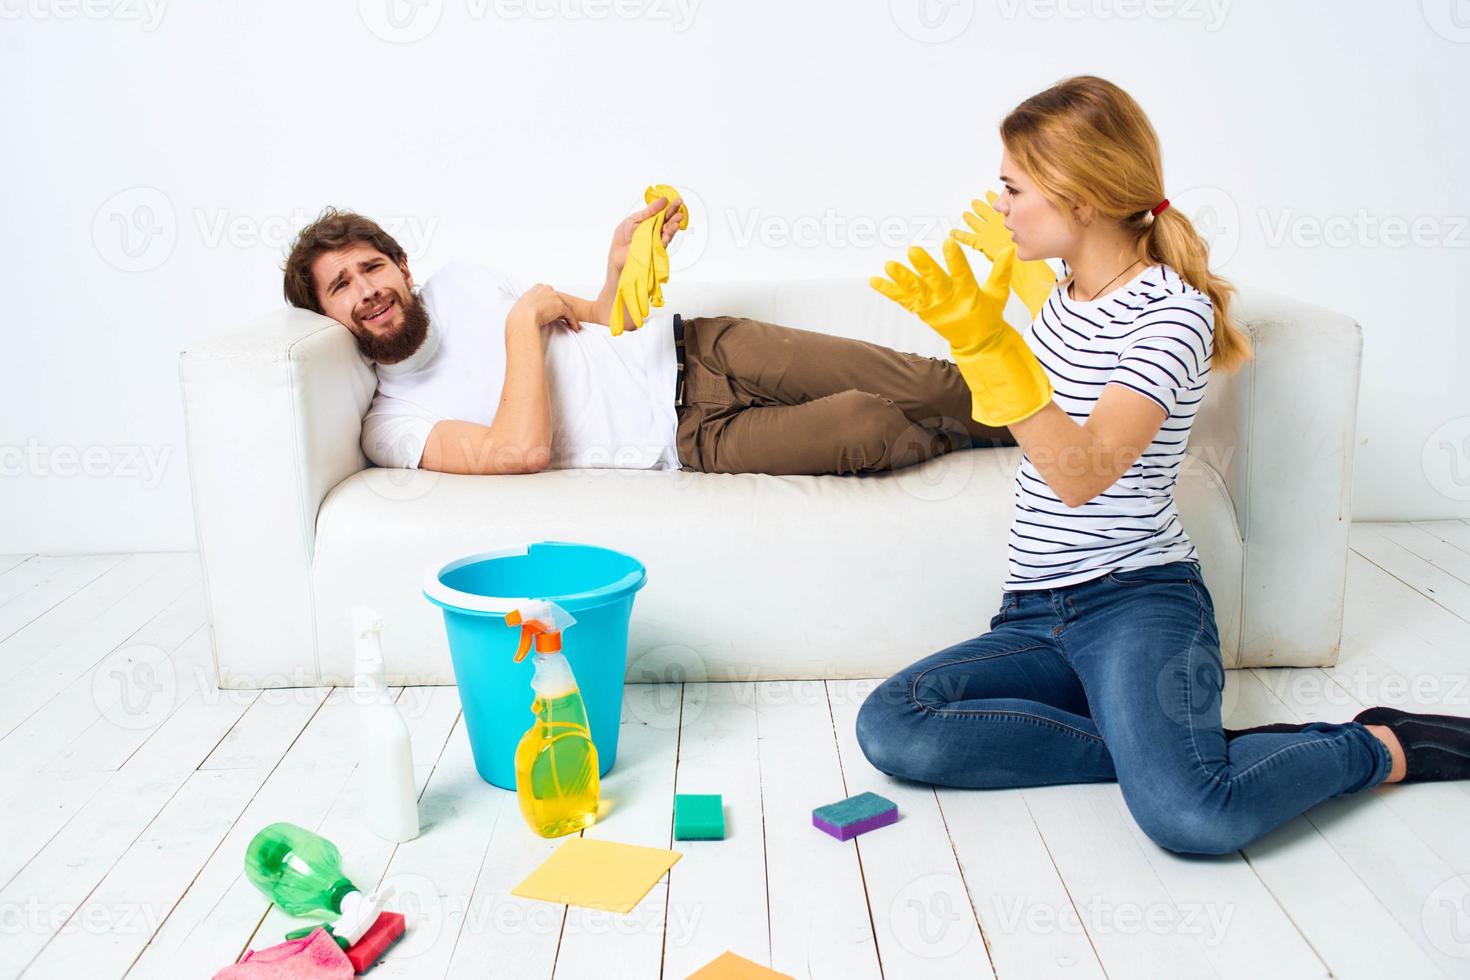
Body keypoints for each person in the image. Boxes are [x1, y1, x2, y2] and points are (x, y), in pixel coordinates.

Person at [856, 75, 1470, 857]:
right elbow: (1030, 414)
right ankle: (1170, 754)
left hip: (1137, 607)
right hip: (1035, 615)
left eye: (1013, 187)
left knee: (1194, 817)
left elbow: (1080, 474)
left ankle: (1377, 746)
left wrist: (987, 346)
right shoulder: (1066, 292)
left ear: (1078, 195)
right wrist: (1012, 300)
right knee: (895, 725)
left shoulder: (1170, 314)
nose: (999, 205)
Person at [280, 202, 1015, 478]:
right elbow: (517, 452)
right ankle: (998, 439)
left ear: (402, 269)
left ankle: (1078, 425)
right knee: (870, 425)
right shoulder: (390, 425)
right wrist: (518, 327)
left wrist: (618, 268)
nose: (366, 288)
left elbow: (603, 317)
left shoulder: (463, 282)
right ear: (325, 316)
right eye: (340, 286)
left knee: (927, 384)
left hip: (704, 348)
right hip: (689, 439)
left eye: (372, 267)